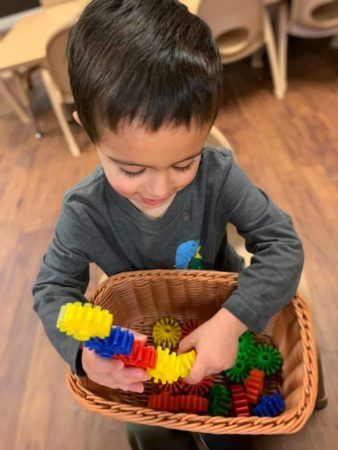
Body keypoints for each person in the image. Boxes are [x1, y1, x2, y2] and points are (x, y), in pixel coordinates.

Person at [32, 0, 304, 449]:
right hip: (145, 342)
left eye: (184, 162)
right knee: (147, 429)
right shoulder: (83, 211)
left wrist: (232, 322)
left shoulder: (219, 174)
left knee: (241, 411)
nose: (158, 188)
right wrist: (81, 355)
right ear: (89, 131)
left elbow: (282, 243)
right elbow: (52, 289)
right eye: (132, 170)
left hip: (224, 313)